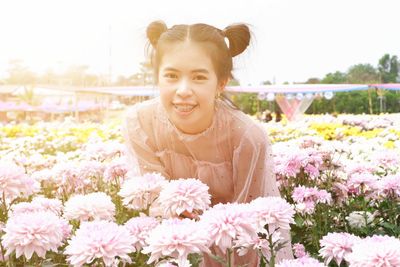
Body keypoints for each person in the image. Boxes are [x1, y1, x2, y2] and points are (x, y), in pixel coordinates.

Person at [123, 20, 293, 266]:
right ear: (157, 77)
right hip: (171, 245)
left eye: (199, 77)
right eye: (171, 75)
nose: (183, 90)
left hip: (232, 251)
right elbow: (150, 198)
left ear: (221, 83)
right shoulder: (140, 122)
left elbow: (252, 225)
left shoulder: (246, 137)